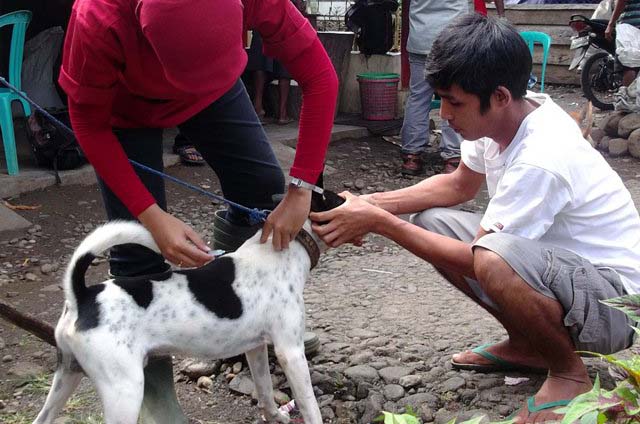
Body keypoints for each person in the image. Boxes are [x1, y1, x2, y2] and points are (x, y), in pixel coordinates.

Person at [311, 14, 640, 423]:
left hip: (613, 305)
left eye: (455, 102)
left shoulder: (543, 155)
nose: (444, 113)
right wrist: (370, 202)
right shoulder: (507, 117)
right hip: (563, 274)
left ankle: (569, 374)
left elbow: (477, 258)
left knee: (490, 258)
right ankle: (528, 345)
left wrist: (379, 223)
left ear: (499, 96)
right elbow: (458, 186)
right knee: (433, 221)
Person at [59, 0, 338, 422]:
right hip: (124, 107)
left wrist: (302, 188)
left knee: (262, 188)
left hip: (216, 91)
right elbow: (89, 123)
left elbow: (320, 74)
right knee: (140, 247)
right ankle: (153, 392)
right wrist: (151, 215)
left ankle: (238, 319)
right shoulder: (97, 19)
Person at [400, 0, 504, 176]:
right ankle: (453, 157)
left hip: (421, 37)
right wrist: (501, 15)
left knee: (418, 97)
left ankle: (412, 156)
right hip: (455, 41)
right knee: (456, 96)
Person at [246, 32, 294, 125]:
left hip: (262, 24)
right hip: (283, 27)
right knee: (284, 62)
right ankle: (282, 114)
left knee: (260, 60)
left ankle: (258, 108)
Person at [605, 0, 640, 87]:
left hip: (630, 27)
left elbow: (621, 1)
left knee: (629, 65)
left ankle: (627, 97)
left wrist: (610, 24)